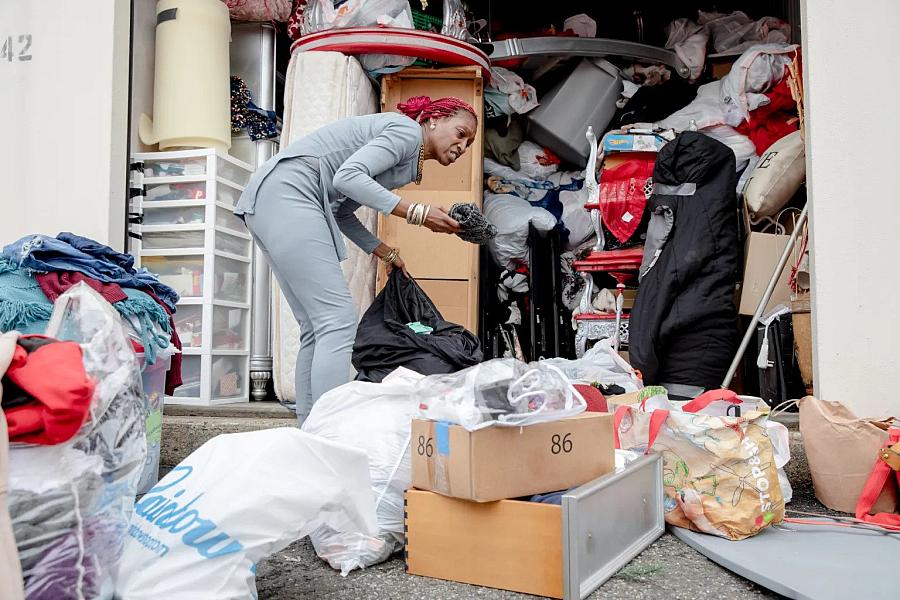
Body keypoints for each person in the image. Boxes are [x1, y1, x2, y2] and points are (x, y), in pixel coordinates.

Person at [234, 95, 479, 423]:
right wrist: (418, 213)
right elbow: (347, 178)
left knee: (316, 326)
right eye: (461, 133)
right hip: (290, 191)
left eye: (470, 143)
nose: (463, 146)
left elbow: (341, 210)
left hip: (271, 199)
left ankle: (311, 429)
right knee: (338, 321)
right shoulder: (406, 133)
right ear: (434, 119)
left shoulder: (406, 160)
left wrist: (385, 252)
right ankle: (330, 429)